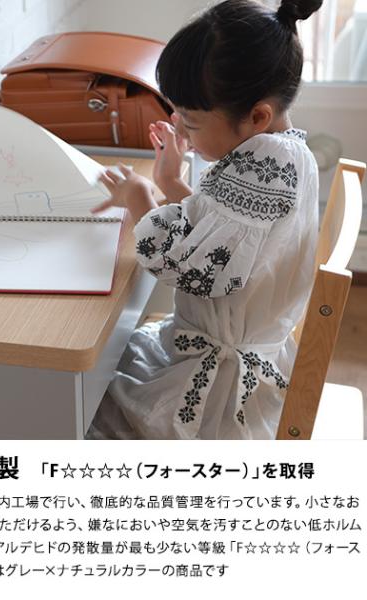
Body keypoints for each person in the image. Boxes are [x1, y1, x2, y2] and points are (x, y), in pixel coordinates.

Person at [85, 0, 323, 440]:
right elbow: (228, 236)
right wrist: (171, 182)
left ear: (256, 117)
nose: (180, 130)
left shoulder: (265, 165)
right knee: (103, 367)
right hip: (217, 353)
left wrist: (140, 197)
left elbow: (194, 270)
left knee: (83, 405)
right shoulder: (284, 152)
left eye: (191, 123)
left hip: (216, 392)